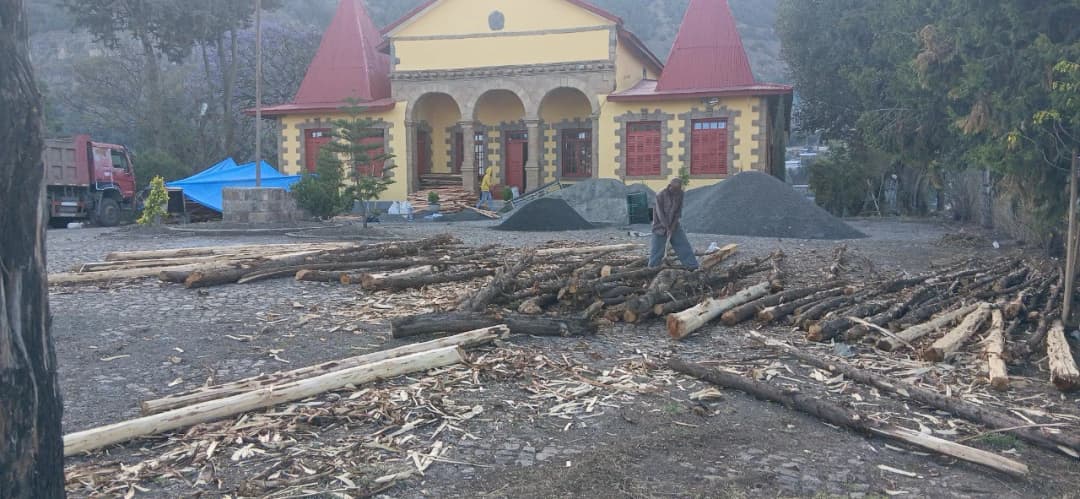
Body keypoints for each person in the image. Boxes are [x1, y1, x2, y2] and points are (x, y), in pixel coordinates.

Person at [650, 178, 699, 270]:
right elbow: (660, 214)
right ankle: (652, 268)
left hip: (674, 224)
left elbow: (678, 212)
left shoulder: (680, 194)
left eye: (678, 190)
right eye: (674, 190)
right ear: (669, 186)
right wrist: (667, 228)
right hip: (659, 225)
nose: (676, 192)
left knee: (683, 244)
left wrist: (672, 228)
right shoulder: (660, 195)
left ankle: (692, 266)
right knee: (657, 249)